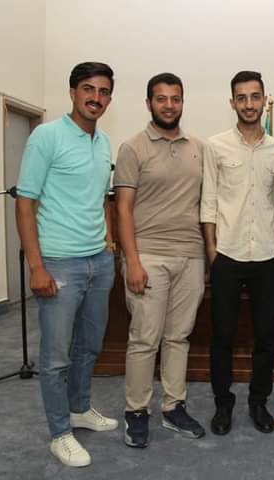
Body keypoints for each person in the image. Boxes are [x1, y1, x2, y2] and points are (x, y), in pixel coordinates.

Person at [16, 62, 118, 467]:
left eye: (104, 91)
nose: (96, 97)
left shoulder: (103, 141)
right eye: (88, 89)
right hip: (59, 262)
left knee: (90, 347)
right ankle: (60, 433)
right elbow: (25, 203)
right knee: (56, 357)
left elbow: (102, 198)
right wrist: (36, 266)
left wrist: (108, 243)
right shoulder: (47, 136)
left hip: (99, 261)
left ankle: (79, 408)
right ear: (73, 92)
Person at [114, 72, 207, 449]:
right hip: (148, 255)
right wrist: (132, 261)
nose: (169, 105)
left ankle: (173, 407)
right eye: (161, 98)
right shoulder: (132, 148)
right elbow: (122, 209)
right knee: (144, 339)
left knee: (178, 337)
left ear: (183, 102)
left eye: (175, 98)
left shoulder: (198, 148)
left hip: (191, 256)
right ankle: (136, 411)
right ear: (149, 103)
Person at [201, 71, 274, 435]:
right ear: (232, 102)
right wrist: (211, 251)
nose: (249, 104)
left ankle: (258, 401)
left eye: (255, 97)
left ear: (264, 100)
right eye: (242, 97)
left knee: (266, 336)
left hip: (267, 254)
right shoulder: (215, 146)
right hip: (228, 254)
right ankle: (223, 404)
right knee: (223, 335)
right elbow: (208, 200)